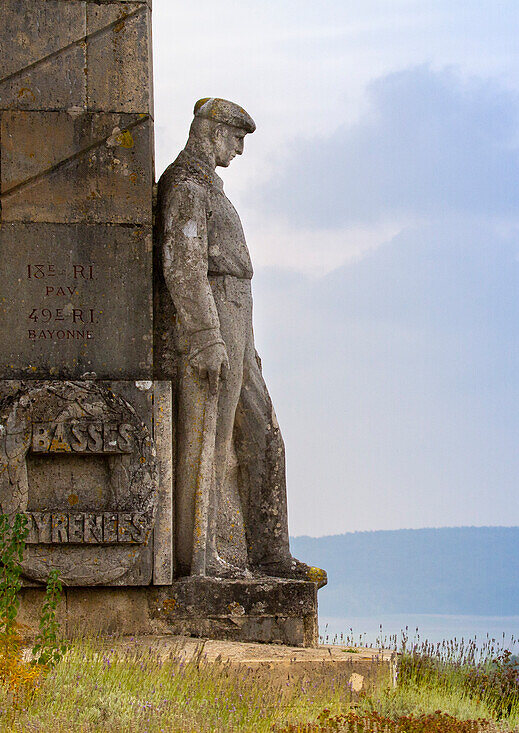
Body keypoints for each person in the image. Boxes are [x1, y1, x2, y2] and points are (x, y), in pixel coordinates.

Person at [157, 98, 326, 587]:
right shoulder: (186, 185)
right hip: (214, 314)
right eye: (236, 138)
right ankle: (203, 558)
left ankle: (270, 554)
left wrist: (245, 341)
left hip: (236, 316)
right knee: (208, 438)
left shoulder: (209, 188)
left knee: (265, 434)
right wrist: (206, 335)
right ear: (211, 132)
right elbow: (183, 265)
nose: (239, 149)